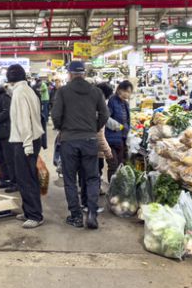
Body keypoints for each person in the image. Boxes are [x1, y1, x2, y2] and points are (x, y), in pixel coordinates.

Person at [52, 61, 110, 230]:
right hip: (90, 140)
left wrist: (63, 128)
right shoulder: (96, 91)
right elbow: (105, 114)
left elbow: (56, 115)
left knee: (70, 180)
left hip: (69, 141)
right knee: (92, 178)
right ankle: (91, 213)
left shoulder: (63, 91)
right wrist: (94, 128)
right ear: (84, 74)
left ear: (69, 74)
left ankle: (76, 217)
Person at [6, 64, 45, 229]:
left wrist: (27, 146)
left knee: (26, 179)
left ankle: (35, 215)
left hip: (24, 142)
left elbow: (24, 122)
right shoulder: (28, 90)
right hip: (32, 139)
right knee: (29, 178)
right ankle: (29, 212)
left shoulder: (19, 93)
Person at [79, 82, 114, 213]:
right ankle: (90, 206)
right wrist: (107, 151)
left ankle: (84, 203)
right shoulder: (98, 107)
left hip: (78, 145)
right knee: (92, 178)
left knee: (83, 176)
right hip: (92, 149)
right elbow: (99, 135)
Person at [105, 80, 133, 181]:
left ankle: (118, 189)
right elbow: (106, 118)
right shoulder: (112, 101)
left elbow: (127, 121)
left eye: (129, 92)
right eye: (126, 91)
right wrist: (119, 126)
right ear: (119, 90)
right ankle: (112, 190)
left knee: (121, 165)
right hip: (111, 139)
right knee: (113, 165)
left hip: (121, 139)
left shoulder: (125, 103)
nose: (127, 94)